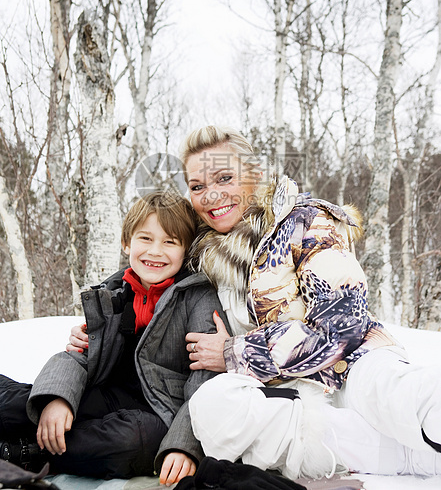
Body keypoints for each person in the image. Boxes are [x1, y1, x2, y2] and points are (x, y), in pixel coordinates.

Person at [69, 126, 441, 481]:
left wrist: (236, 351)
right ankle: (404, 456)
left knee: (392, 388)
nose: (211, 195)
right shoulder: (202, 249)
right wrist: (99, 324)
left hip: (352, 365)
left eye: (224, 179)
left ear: (255, 174)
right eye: (197, 186)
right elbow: (146, 271)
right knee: (212, 406)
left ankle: (423, 426)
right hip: (284, 396)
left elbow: (343, 329)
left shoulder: (305, 221)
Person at [0, 190, 230, 486]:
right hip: (106, 393)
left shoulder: (196, 297)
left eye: (170, 242)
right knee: (24, 404)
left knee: (133, 441)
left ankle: (21, 452)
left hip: (159, 411)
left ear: (186, 251)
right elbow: (79, 354)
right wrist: (57, 398)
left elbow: (204, 383)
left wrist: (184, 445)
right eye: (145, 239)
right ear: (127, 243)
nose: (155, 251)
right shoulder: (114, 291)